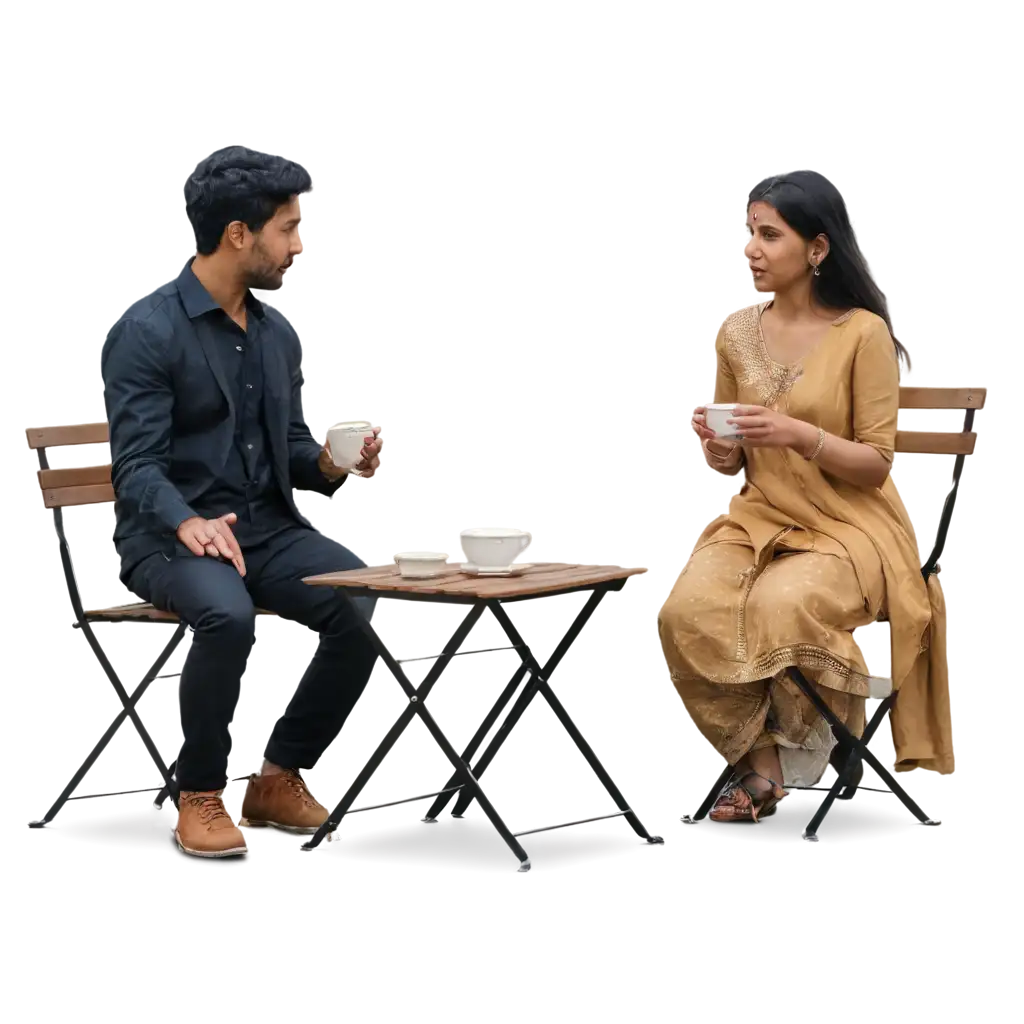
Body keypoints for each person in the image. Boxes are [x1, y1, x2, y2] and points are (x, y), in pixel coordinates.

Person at [97, 145, 385, 858]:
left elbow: (288, 451)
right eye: (289, 228)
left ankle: (279, 776)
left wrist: (327, 461)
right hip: (167, 540)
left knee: (362, 602)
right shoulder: (146, 330)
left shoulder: (273, 336)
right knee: (225, 616)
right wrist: (186, 521)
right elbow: (135, 466)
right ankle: (198, 792)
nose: (300, 245)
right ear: (239, 234)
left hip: (263, 531)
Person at [657, 169, 951, 823]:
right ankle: (763, 765)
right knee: (688, 607)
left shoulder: (861, 334)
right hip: (760, 518)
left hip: (850, 527)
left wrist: (796, 433)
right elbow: (732, 468)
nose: (751, 249)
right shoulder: (733, 332)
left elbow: (875, 465)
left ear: (817, 250)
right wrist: (720, 446)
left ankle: (797, 762)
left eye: (769, 235)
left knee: (781, 605)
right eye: (749, 233)